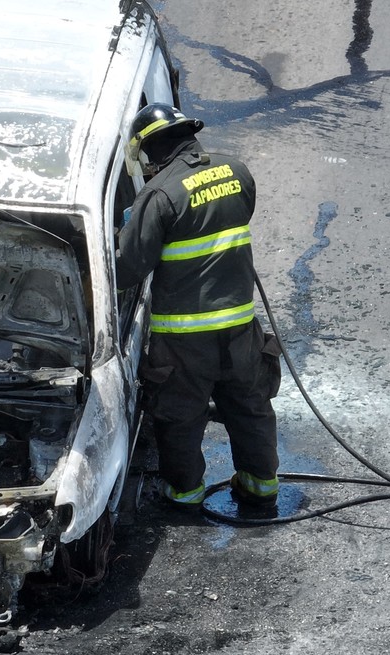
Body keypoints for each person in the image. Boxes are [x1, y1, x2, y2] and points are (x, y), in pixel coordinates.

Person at [115, 104, 282, 510]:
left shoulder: (160, 194)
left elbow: (129, 269)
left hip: (184, 336)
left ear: (149, 148)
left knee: (180, 416)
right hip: (240, 325)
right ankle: (261, 485)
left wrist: (123, 234)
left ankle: (185, 493)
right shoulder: (236, 172)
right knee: (249, 405)